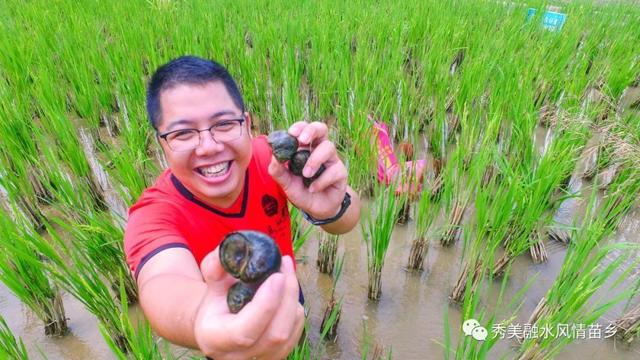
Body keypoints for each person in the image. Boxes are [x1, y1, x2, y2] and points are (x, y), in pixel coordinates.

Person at [123, 55, 361, 359]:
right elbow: (163, 283)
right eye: (183, 133)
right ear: (162, 143)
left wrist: (330, 207)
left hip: (285, 291)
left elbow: (348, 219)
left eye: (223, 124)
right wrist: (204, 320)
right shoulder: (153, 214)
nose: (208, 146)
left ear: (247, 124)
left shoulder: (273, 161)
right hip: (223, 322)